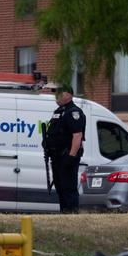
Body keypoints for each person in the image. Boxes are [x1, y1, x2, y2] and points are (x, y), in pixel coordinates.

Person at [43, 84, 86, 213]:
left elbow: (77, 136)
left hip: (67, 156)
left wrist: (71, 156)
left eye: (59, 93)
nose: (56, 96)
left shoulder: (73, 112)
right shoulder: (59, 112)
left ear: (68, 95)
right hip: (56, 156)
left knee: (68, 187)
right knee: (60, 186)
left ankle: (72, 212)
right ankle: (64, 212)